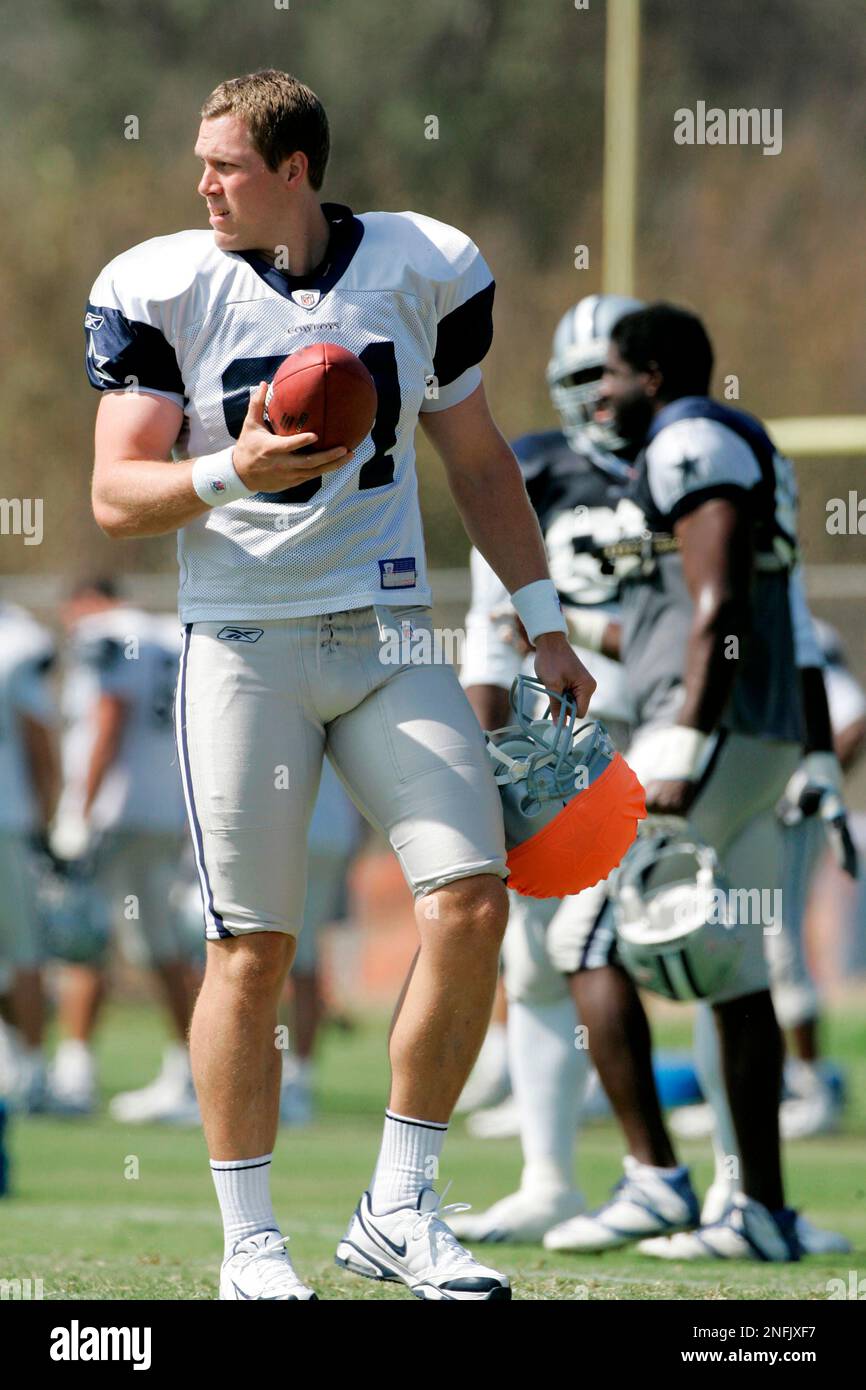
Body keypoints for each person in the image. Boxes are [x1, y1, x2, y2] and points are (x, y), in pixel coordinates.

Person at [85, 69, 594, 1301]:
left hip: (386, 638)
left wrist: (541, 623)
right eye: (199, 162)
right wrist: (235, 470)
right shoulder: (159, 284)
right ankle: (249, 1241)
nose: (201, 183)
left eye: (225, 164)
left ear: (295, 169)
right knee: (251, 949)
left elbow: (475, 459)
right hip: (244, 647)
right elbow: (113, 496)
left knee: (472, 900)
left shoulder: (423, 264)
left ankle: (399, 1208)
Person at [540, 303, 808, 1261]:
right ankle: (761, 1215)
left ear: (651, 372)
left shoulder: (691, 438)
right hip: (747, 724)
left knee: (584, 930)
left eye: (610, 374)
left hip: (708, 730)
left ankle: (655, 1180)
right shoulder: (719, 436)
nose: (601, 394)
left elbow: (720, 599)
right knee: (734, 965)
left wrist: (689, 735)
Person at [453, 294, 641, 1241]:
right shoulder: (529, 470)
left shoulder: (691, 458)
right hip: (565, 750)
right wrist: (485, 762)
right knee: (535, 961)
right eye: (583, 382)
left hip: (677, 731)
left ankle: (732, 1189)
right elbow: (492, 637)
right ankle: (552, 1176)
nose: (601, 402)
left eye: (614, 378)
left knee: (710, 956)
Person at [51, 581, 197, 1122]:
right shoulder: (168, 633)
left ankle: (75, 1072)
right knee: (161, 946)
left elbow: (109, 721)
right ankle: (187, 1070)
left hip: (116, 811)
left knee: (83, 937)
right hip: (168, 808)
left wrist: (77, 810)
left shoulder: (105, 634)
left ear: (85, 601)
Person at [0, 603, 60, 1112]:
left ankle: (32, 1071)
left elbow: (38, 740)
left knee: (22, 953)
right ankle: (31, 1070)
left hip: (8, 820)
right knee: (23, 951)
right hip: (10, 822)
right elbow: (42, 744)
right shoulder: (18, 643)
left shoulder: (18, 641)